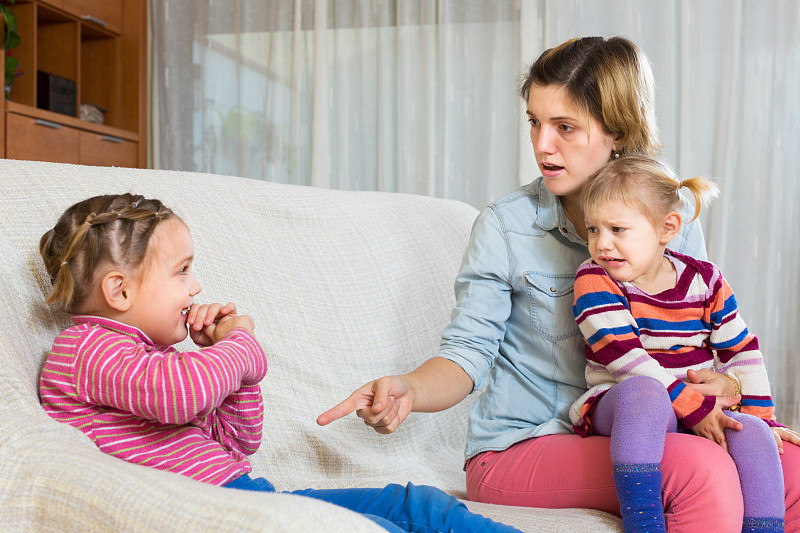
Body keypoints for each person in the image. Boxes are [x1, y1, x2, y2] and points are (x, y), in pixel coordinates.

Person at [317, 36, 800, 532]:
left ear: (617, 132)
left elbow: (703, 336)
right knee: (702, 472)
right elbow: (466, 355)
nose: (542, 145)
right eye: (534, 122)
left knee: (792, 473)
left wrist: (731, 384)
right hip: (523, 446)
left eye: (565, 127)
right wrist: (410, 389)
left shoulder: (668, 215)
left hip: (656, 421)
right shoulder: (506, 227)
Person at [37, 193, 522, 533]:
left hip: (247, 495)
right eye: (181, 271)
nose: (196, 286)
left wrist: (233, 369)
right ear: (119, 290)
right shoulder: (85, 350)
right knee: (368, 528)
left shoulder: (155, 361)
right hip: (208, 516)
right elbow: (179, 395)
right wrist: (240, 347)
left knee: (416, 505)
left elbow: (237, 442)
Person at [570, 154, 796, 532]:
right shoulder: (595, 279)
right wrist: (693, 404)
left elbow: (741, 351)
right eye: (593, 230)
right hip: (623, 399)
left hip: (693, 403)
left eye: (617, 229)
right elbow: (625, 360)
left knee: (753, 434)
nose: (601, 244)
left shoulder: (705, 281)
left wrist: (763, 418)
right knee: (644, 393)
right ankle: (644, 522)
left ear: (667, 227)